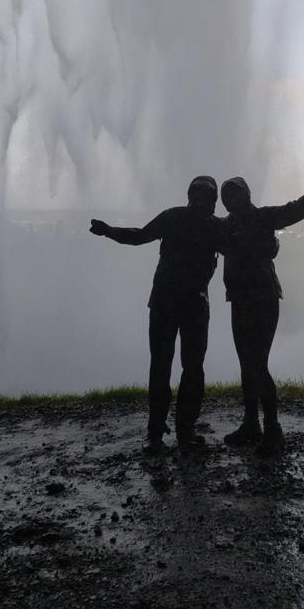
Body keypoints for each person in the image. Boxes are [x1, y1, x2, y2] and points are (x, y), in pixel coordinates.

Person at [219, 163, 304, 454]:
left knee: (257, 364)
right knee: (246, 363)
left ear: (246, 195)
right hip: (239, 300)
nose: (229, 199)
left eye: (233, 193)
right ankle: (251, 423)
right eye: (226, 195)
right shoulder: (225, 226)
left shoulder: (262, 218)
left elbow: (298, 209)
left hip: (263, 299)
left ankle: (273, 430)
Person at [90, 176, 222, 454]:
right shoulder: (204, 224)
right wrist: (109, 231)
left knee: (173, 367)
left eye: (206, 199)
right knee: (180, 367)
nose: (203, 203)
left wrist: (109, 231)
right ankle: (173, 431)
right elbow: (139, 236)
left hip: (174, 304)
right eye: (202, 198)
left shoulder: (182, 219)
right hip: (181, 305)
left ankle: (166, 431)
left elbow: (139, 236)